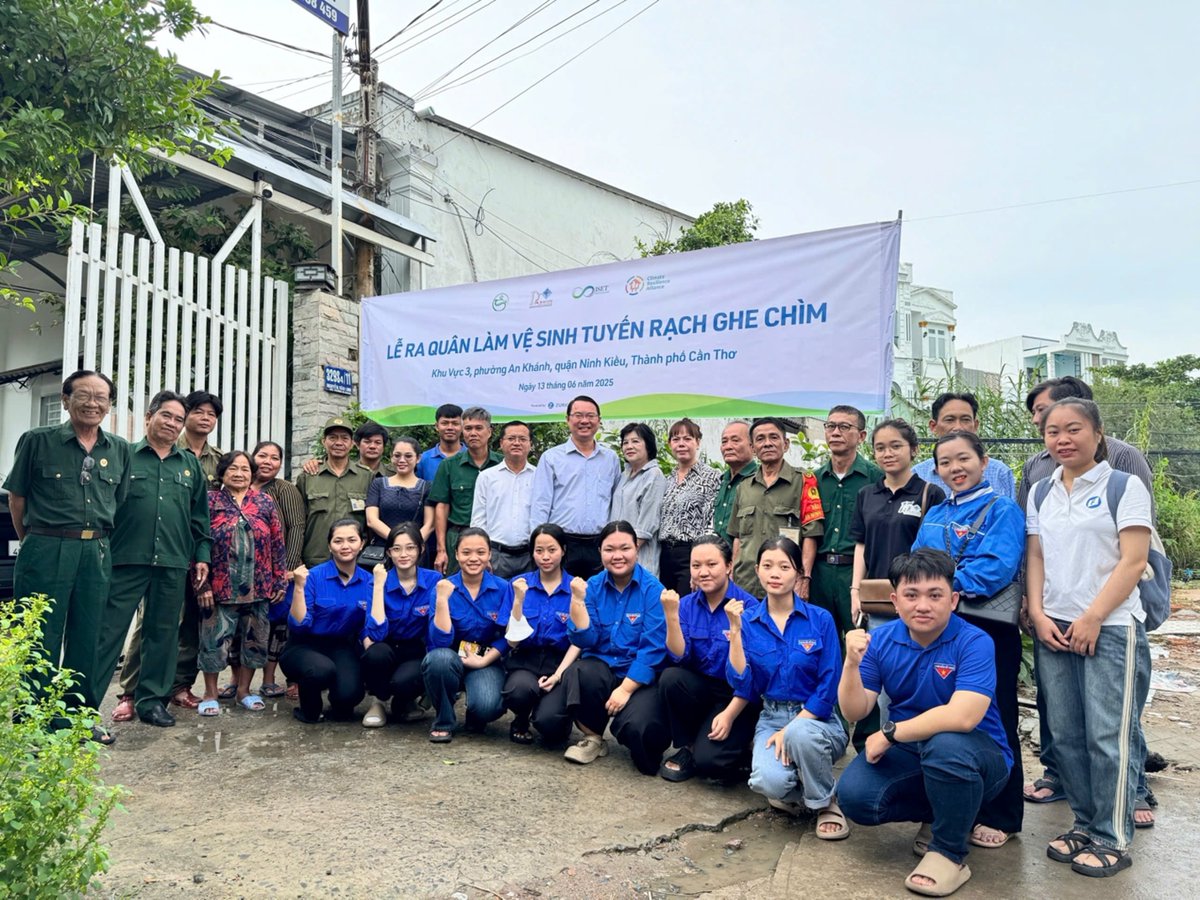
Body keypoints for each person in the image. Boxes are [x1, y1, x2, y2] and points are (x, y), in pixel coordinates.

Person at [1019, 376, 1157, 823]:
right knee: (1067, 735)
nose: (1062, 438)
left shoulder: (1122, 485)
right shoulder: (1042, 490)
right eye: (1052, 431)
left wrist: (1094, 616)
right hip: (1053, 627)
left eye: (1074, 428)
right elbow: (1036, 555)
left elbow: (1134, 561)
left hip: (1111, 625)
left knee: (1106, 735)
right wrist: (1038, 613)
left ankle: (1110, 834)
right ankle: (1083, 823)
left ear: (1098, 434)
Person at [837, 549, 1013, 898]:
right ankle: (944, 812)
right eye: (911, 595)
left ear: (953, 599)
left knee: (945, 744)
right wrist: (851, 665)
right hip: (913, 753)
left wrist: (890, 733)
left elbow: (964, 716)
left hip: (977, 756)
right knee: (855, 797)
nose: (923, 605)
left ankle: (949, 852)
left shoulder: (974, 642)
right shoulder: (883, 641)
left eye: (935, 595)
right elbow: (855, 711)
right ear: (894, 601)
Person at [3, 370, 132, 743]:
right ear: (64, 399)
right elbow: (17, 498)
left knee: (88, 636)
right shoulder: (37, 441)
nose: (93, 403)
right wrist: (34, 541)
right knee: (40, 636)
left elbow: (117, 502)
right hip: (45, 546)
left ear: (109, 404)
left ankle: (78, 717)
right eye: (84, 395)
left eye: (101, 397)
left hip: (95, 550)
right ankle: (35, 721)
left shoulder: (119, 449)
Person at [911, 430, 1025, 849]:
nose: (955, 469)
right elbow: (916, 561)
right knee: (944, 709)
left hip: (987, 627)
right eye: (945, 462)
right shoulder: (936, 512)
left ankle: (1004, 813)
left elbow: (996, 567)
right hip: (942, 626)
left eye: (963, 459)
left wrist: (937, 586)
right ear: (936, 468)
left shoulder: (1003, 508)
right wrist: (933, 590)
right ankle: (957, 804)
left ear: (984, 461)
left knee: (995, 714)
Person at [95, 391, 211, 729]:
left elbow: (199, 518)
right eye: (167, 416)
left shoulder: (188, 464)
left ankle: (152, 701)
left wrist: (201, 555)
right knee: (108, 633)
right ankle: (86, 703)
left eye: (178, 419)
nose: (173, 424)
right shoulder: (125, 456)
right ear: (149, 417)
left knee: (163, 634)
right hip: (125, 559)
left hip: (173, 561)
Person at [725, 537, 849, 838]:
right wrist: (737, 633)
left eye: (784, 566)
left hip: (817, 720)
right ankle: (807, 782)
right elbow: (743, 682)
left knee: (801, 736)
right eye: (767, 566)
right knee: (767, 783)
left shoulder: (820, 619)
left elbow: (830, 682)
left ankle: (826, 803)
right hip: (772, 715)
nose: (774, 573)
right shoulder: (749, 620)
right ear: (757, 571)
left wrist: (793, 728)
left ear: (798, 574)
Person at [531, 520, 668, 771]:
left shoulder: (653, 590)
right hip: (600, 671)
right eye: (609, 549)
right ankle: (592, 736)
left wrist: (626, 690)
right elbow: (584, 640)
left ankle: (627, 728)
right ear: (600, 552)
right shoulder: (592, 586)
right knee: (551, 715)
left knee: (639, 733)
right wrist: (578, 603)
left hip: (636, 676)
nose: (617, 556)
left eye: (625, 548)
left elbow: (653, 650)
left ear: (636, 549)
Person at [846, 419, 945, 742]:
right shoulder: (866, 495)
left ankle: (924, 748)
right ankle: (895, 747)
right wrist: (855, 590)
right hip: (878, 605)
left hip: (919, 603)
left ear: (914, 449)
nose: (887, 453)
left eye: (896, 446)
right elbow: (860, 545)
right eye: (880, 447)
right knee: (886, 683)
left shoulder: (930, 493)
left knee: (923, 677)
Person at [657, 535, 758, 783]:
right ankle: (689, 745)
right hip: (701, 689)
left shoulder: (749, 606)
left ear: (729, 566)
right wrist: (671, 615)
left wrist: (730, 714)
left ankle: (744, 746)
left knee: (711, 764)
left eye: (711, 564)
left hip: (738, 696)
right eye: (696, 566)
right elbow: (679, 657)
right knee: (671, 678)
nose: (703, 572)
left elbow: (754, 675)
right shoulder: (687, 605)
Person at [195, 452, 287, 715]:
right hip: (220, 588)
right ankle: (210, 693)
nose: (239, 473)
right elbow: (199, 542)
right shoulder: (210, 501)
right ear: (222, 473)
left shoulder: (264, 502)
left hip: (259, 588)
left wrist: (279, 581)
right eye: (233, 468)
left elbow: (277, 544)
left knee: (254, 642)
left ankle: (244, 691)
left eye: (245, 469)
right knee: (213, 641)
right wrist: (202, 585)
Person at [423, 527, 513, 742]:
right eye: (466, 553)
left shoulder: (503, 588)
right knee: (438, 660)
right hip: (450, 654)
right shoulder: (443, 588)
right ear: (456, 555)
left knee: (487, 707)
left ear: (490, 554)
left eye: (481, 552)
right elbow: (440, 640)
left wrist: (485, 660)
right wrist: (443, 600)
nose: (473, 558)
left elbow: (508, 636)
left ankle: (476, 714)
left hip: (486, 656)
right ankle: (444, 719)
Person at [280, 519, 371, 724]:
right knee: (321, 669)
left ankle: (338, 702)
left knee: (349, 696)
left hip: (340, 646)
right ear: (330, 545)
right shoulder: (312, 576)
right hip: (304, 645)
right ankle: (308, 710)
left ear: (362, 543)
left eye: (351, 540)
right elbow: (299, 625)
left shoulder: (369, 581)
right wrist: (300, 588)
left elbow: (367, 626)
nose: (345, 546)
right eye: (338, 541)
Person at [502, 523, 581, 745]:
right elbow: (512, 641)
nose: (545, 557)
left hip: (560, 662)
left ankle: (550, 713)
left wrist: (558, 675)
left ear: (563, 550)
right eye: (539, 551)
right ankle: (520, 718)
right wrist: (518, 601)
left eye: (552, 550)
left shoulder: (576, 588)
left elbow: (579, 641)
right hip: (525, 659)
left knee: (550, 726)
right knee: (519, 690)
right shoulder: (518, 584)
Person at [728, 417, 824, 597]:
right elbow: (737, 537)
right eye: (760, 439)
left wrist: (804, 578)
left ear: (786, 444)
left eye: (773, 437)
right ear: (753, 448)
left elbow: (811, 534)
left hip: (786, 583)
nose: (767, 444)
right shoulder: (743, 487)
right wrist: (732, 572)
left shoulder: (804, 481)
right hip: (747, 582)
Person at [529, 395, 622, 579]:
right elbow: (540, 503)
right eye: (578, 415)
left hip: (599, 542)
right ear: (568, 419)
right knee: (560, 597)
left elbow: (615, 501)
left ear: (599, 420)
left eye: (590, 416)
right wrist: (539, 544)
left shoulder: (610, 458)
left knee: (595, 598)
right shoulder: (551, 457)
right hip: (562, 542)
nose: (584, 421)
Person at [811, 405, 883, 637]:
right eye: (830, 426)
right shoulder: (814, 479)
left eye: (844, 427)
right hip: (820, 573)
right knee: (820, 640)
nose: (835, 432)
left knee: (859, 639)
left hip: (857, 572)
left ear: (861, 436)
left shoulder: (876, 478)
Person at [361, 522, 440, 727]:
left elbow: (435, 630)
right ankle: (377, 701)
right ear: (389, 552)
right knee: (375, 653)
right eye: (396, 549)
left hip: (415, 649)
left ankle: (406, 700)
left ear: (421, 549)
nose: (403, 554)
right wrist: (378, 586)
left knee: (403, 682)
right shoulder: (378, 581)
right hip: (386, 645)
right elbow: (376, 634)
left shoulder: (434, 580)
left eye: (410, 548)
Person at [250, 440, 306, 699]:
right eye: (263, 455)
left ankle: (270, 678)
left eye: (274, 458)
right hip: (245, 570)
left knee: (277, 625)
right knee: (246, 625)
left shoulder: (285, 489)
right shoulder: (239, 485)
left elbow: (296, 526)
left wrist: (289, 566)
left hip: (277, 570)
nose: (267, 462)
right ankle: (240, 681)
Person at [294, 417, 374, 568]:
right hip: (316, 558)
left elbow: (371, 521)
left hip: (356, 561)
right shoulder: (308, 477)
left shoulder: (366, 477)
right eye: (332, 438)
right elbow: (297, 523)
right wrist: (296, 558)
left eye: (344, 438)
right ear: (324, 441)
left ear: (352, 444)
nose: (338, 443)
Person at [430, 407, 501, 575]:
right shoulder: (449, 465)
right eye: (468, 428)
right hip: (458, 537)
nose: (473, 433)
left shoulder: (502, 464)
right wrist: (441, 550)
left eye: (479, 428)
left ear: (489, 431)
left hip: (494, 539)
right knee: (454, 590)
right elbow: (441, 507)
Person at [659, 418, 722, 594]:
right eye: (676, 439)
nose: (681, 444)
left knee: (685, 608)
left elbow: (710, 523)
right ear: (670, 444)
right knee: (666, 607)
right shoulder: (668, 479)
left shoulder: (711, 476)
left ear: (698, 442)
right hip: (664, 554)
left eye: (687, 439)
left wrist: (701, 562)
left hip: (691, 553)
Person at [912, 392, 1016, 500]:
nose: (958, 427)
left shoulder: (1000, 472)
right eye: (949, 420)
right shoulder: (918, 475)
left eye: (965, 420)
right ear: (933, 426)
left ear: (975, 425)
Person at [471, 420, 537, 579]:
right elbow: (478, 520)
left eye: (522, 439)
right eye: (511, 438)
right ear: (501, 443)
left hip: (530, 556)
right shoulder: (486, 477)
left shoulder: (540, 476)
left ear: (530, 444)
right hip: (496, 556)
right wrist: (482, 554)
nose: (517, 443)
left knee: (528, 602)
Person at [609, 422, 667, 576]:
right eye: (625, 442)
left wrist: (623, 553)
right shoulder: (623, 476)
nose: (629, 446)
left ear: (648, 445)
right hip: (617, 558)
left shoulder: (654, 475)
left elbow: (646, 527)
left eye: (635, 441)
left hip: (639, 558)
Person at [365, 436, 434, 546]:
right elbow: (372, 520)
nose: (402, 460)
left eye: (408, 456)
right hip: (383, 548)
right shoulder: (378, 484)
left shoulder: (427, 487)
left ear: (418, 458)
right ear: (391, 457)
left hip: (415, 548)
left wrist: (411, 544)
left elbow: (430, 524)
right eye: (397, 456)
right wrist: (397, 542)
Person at [712, 421, 757, 545]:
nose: (728, 446)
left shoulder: (760, 480)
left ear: (752, 447)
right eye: (724, 441)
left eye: (735, 440)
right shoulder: (720, 481)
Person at [416, 403, 464, 481]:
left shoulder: (472, 457)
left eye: (455, 423)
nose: (450, 427)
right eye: (445, 423)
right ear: (437, 426)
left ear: (462, 427)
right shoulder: (423, 459)